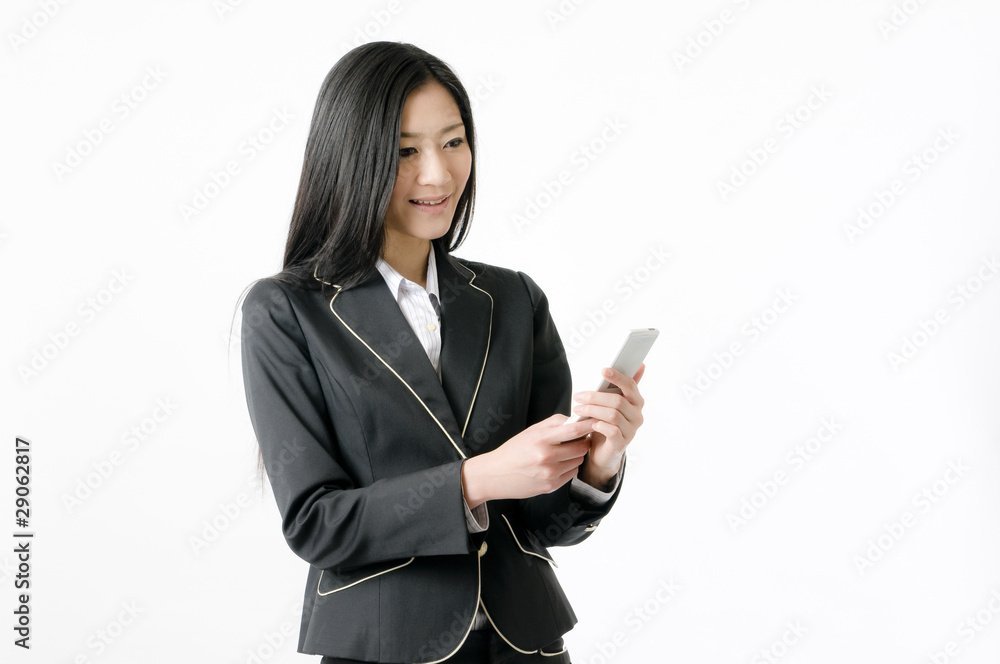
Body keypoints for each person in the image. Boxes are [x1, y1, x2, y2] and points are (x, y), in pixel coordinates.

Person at [239, 41, 646, 664]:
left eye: (453, 142)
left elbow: (544, 523)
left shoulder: (513, 299)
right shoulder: (287, 312)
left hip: (525, 646)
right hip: (383, 648)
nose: (438, 174)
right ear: (352, 158)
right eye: (406, 151)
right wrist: (477, 480)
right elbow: (317, 524)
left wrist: (597, 464)